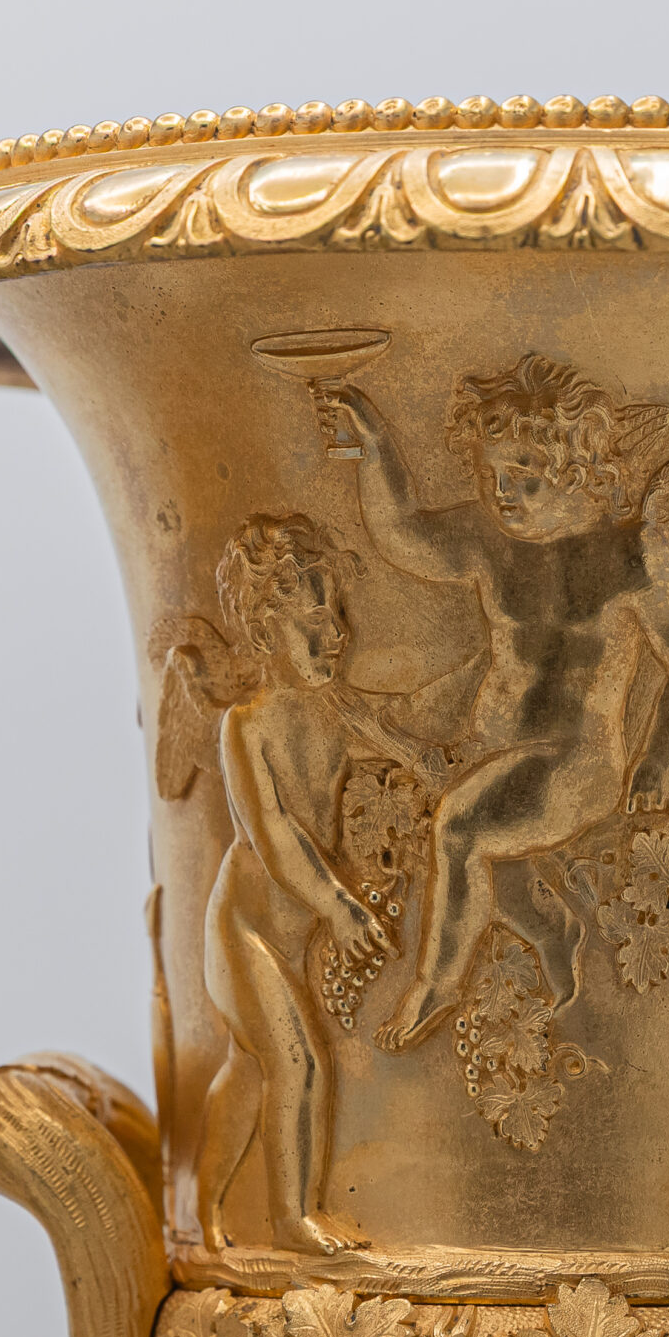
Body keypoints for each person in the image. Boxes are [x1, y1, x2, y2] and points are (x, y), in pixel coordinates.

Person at [313, 355, 669, 1053]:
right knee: (503, 880)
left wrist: (665, 755)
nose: (501, 492)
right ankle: (557, 933)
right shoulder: (490, 539)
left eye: (523, 475)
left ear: (577, 472)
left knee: (461, 827)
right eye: (489, 476)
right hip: (492, 749)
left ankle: (435, 987)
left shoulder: (633, 556)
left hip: (577, 760)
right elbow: (404, 536)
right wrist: (375, 446)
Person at [195, 513, 392, 1257]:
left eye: (336, 615)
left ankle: (207, 1209)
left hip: (288, 935)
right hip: (245, 934)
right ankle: (290, 1219)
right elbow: (273, 836)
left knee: (249, 1072)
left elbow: (405, 743)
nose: (336, 634)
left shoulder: (334, 714)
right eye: (313, 621)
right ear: (262, 630)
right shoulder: (247, 725)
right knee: (297, 1063)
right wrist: (339, 907)